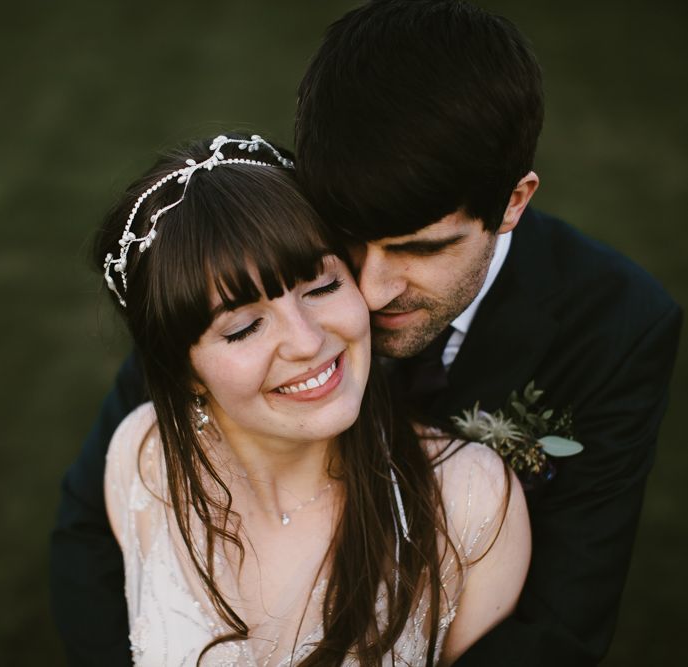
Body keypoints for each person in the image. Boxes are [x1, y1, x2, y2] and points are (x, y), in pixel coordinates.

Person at [51, 1, 681, 665]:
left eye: (419, 247)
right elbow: (93, 521)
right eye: (348, 243)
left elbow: (558, 624)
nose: (371, 291)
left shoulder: (615, 325)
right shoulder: (268, 244)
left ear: (513, 202)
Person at [80, 132, 529, 665]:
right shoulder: (142, 460)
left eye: (320, 288)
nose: (309, 341)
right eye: (244, 328)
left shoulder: (468, 499)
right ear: (185, 371)